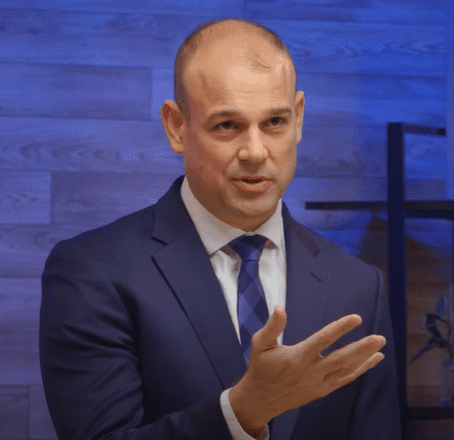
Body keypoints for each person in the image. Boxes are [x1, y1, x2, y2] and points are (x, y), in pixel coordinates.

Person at [39, 18, 402, 440]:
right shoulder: (92, 271)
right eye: (227, 125)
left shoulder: (358, 286)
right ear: (177, 126)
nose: (254, 151)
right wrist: (240, 413)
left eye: (274, 123)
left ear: (299, 118)